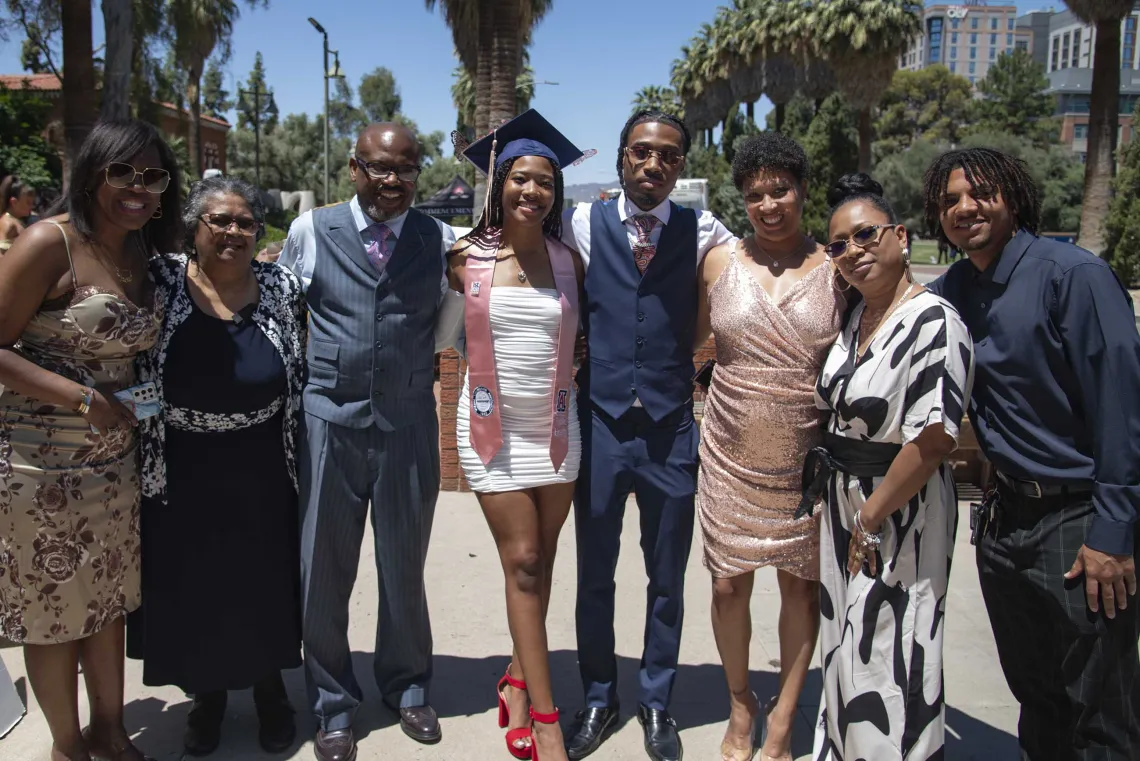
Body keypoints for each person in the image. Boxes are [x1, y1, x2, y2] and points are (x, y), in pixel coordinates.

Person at [924, 148, 1140, 760]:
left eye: (980, 193)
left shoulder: (1072, 276)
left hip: (1077, 522)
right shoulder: (956, 289)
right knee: (1036, 694)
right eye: (949, 201)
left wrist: (1115, 533)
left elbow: (1123, 410)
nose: (965, 208)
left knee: (1099, 705)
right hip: (1004, 522)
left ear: (1012, 198)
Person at [0, 118, 181, 761]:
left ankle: (112, 731)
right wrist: (80, 398)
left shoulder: (144, 252)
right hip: (40, 466)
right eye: (122, 172)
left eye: (152, 175)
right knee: (53, 612)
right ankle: (67, 745)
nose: (138, 187)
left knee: (105, 600)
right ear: (91, 174)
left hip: (115, 464)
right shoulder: (48, 244)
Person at [278, 122, 457, 761]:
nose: (392, 180)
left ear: (418, 173)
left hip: (408, 422)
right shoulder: (310, 231)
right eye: (379, 168)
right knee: (323, 571)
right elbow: (279, 314)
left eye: (405, 169)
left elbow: (448, 321)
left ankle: (408, 686)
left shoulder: (438, 239)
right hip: (328, 420)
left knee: (404, 569)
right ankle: (331, 705)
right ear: (354, 168)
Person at [560, 109, 735, 761]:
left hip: (668, 429)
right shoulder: (582, 223)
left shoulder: (705, 229)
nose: (653, 163)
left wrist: (687, 365)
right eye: (641, 151)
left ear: (681, 165)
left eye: (667, 154)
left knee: (667, 577)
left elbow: (732, 296)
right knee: (595, 574)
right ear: (622, 159)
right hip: (600, 425)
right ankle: (600, 696)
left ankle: (657, 701)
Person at [128, 177, 306, 756]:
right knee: (195, 584)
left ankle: (270, 692)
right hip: (179, 465)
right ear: (194, 228)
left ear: (259, 232)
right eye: (219, 221)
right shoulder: (159, 284)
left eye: (245, 223)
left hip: (262, 462)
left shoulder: (281, 286)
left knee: (262, 580)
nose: (233, 232)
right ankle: (206, 698)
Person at [436, 109, 585, 761]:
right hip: (492, 426)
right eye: (521, 178)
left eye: (544, 181)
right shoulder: (465, 257)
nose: (532, 190)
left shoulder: (568, 259)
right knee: (523, 558)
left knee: (541, 563)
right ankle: (549, 721)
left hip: (555, 426)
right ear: (500, 184)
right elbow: (442, 334)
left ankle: (519, 683)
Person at [810, 173, 974, 759]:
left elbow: (932, 440)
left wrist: (871, 518)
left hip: (899, 509)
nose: (852, 252)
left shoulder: (936, 321)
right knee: (845, 644)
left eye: (865, 236)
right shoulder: (856, 318)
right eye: (837, 245)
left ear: (900, 237)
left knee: (891, 646)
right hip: (845, 504)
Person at [693, 133, 844, 761]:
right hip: (727, 448)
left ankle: (784, 714)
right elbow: (688, 344)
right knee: (728, 586)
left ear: (803, 190)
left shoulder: (839, 268)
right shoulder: (717, 262)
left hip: (803, 460)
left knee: (799, 589)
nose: (768, 204)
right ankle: (739, 702)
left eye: (780, 189)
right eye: (755, 194)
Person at [0, 175, 36, 252]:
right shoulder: (8, 224)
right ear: (14, 202)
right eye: (28, 202)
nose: (31, 206)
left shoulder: (16, 221)